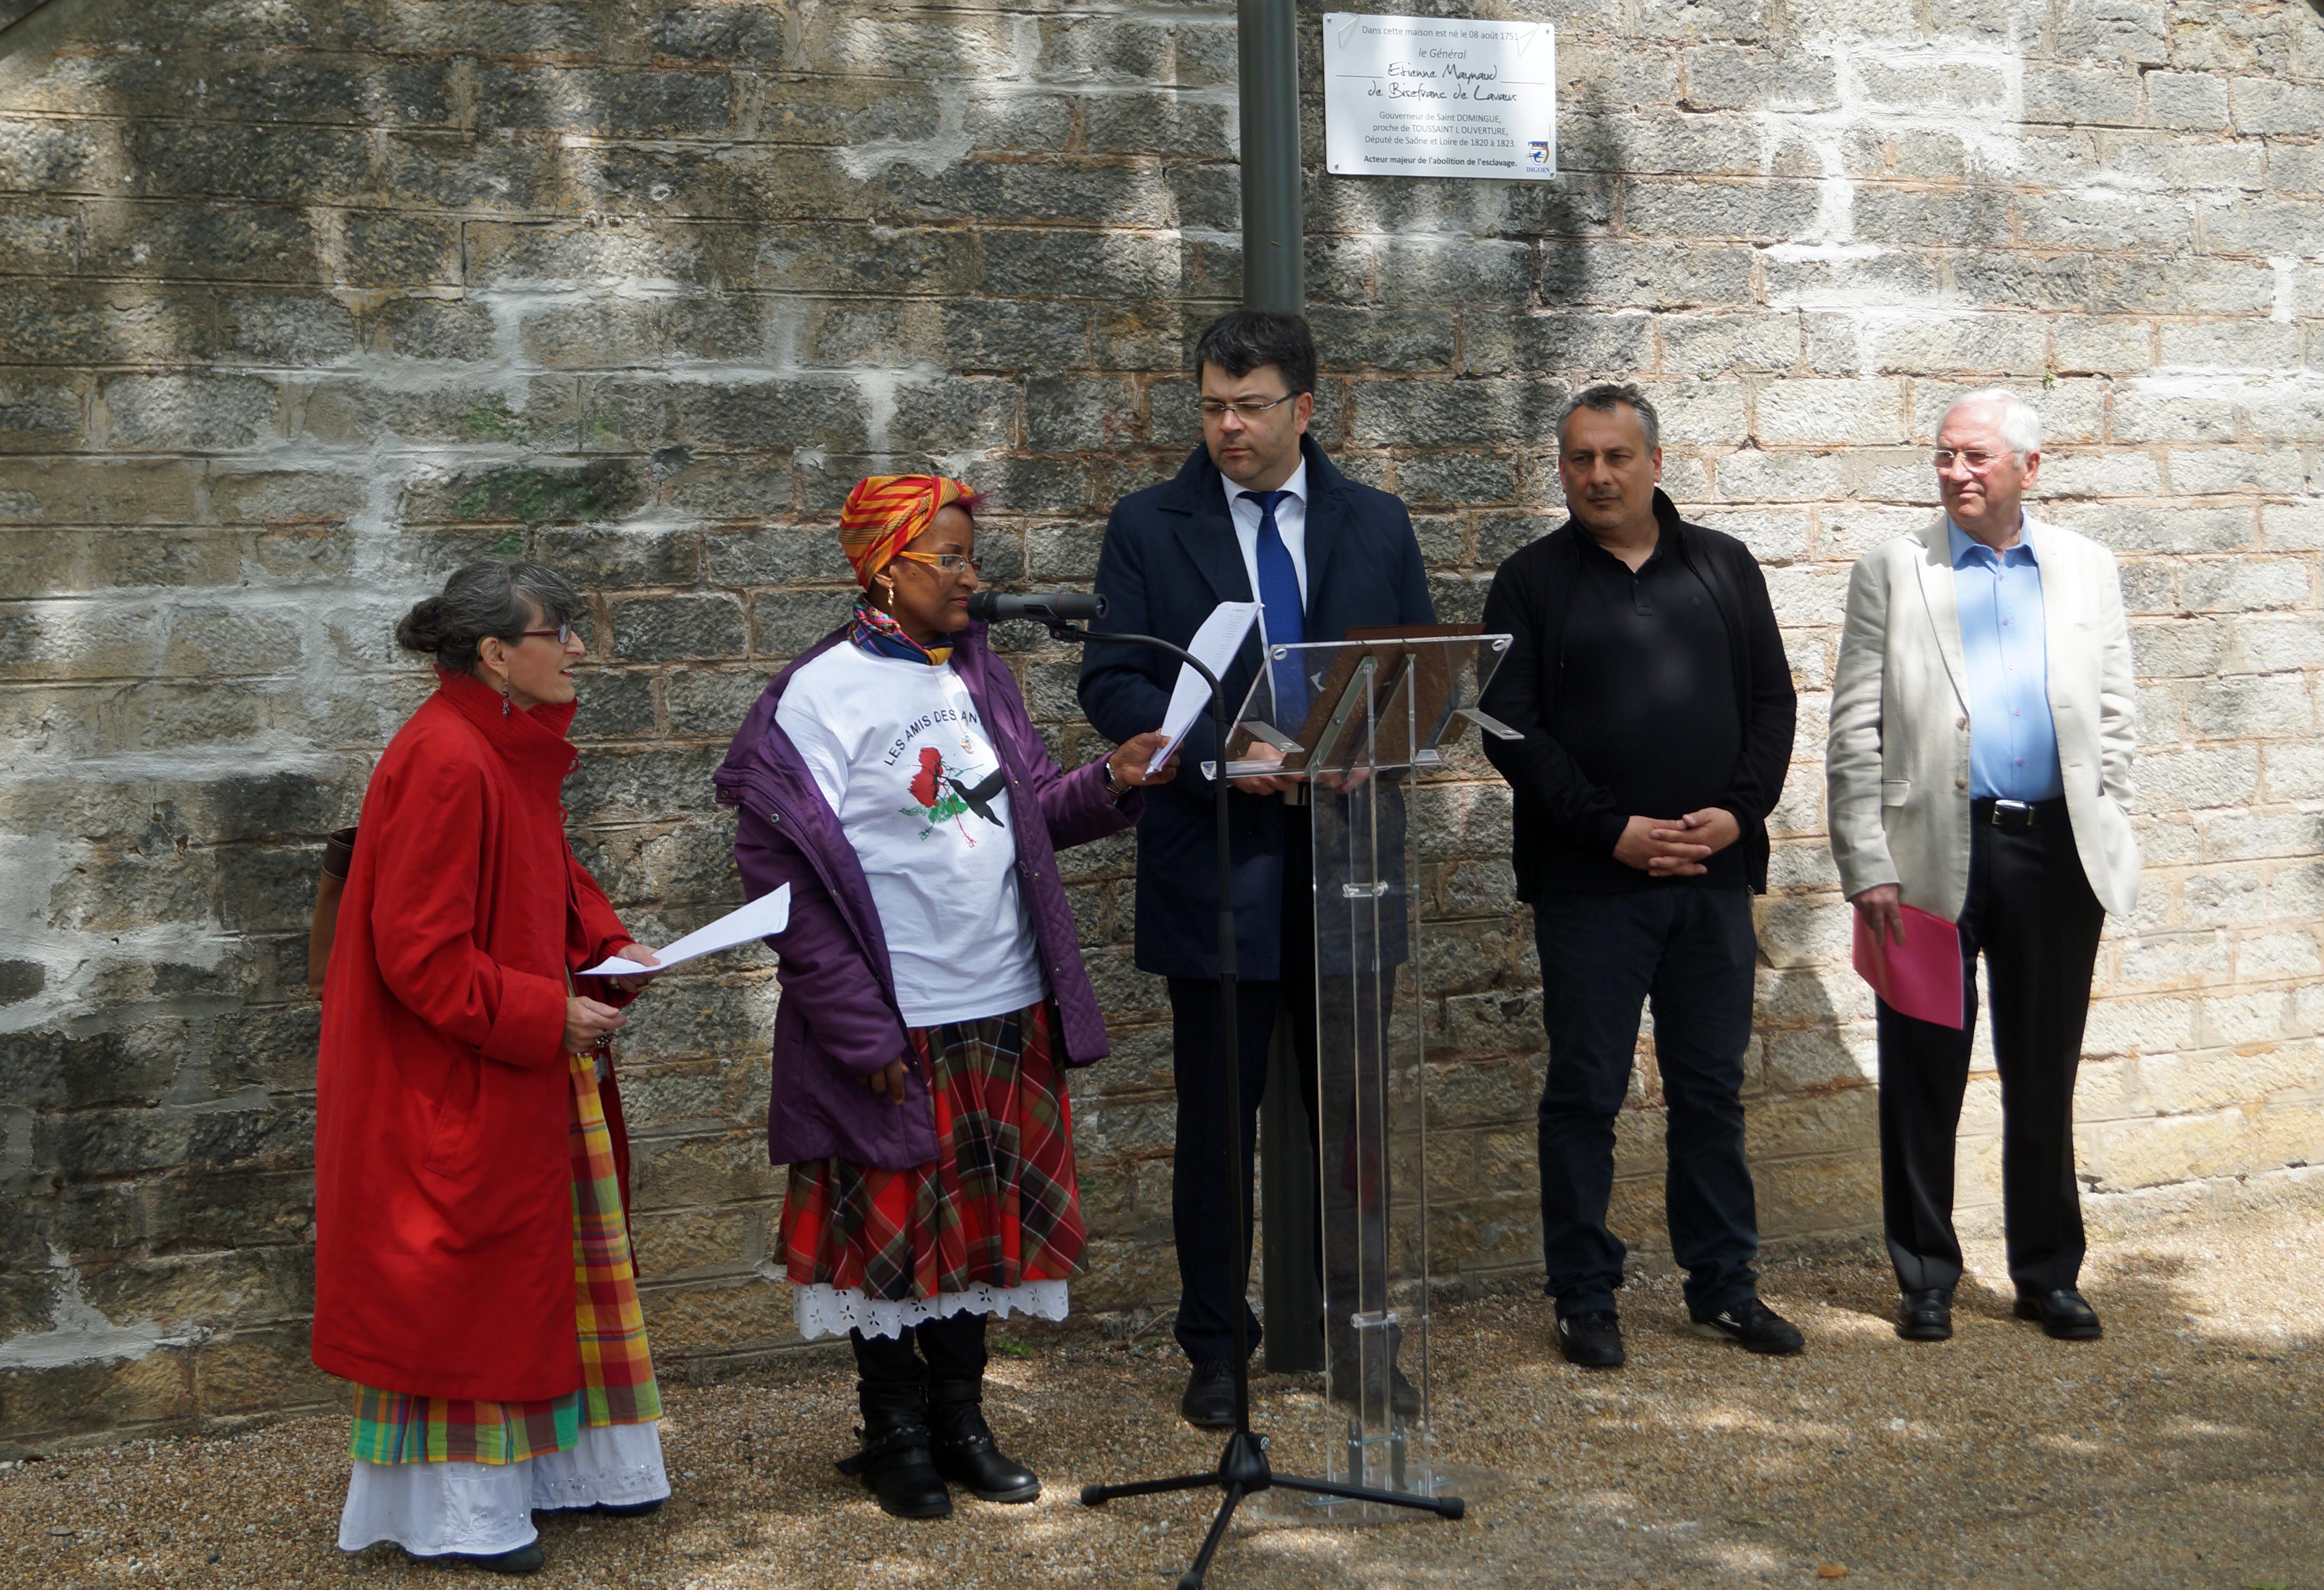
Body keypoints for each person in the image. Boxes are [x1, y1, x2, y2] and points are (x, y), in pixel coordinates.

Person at [714, 475, 1177, 1518]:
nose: (975, 576)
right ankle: (894, 1428)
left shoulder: (982, 673)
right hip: (896, 1013)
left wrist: (1111, 781)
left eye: (974, 555)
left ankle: (964, 1418)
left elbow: (1022, 815)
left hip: (1002, 1000)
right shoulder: (815, 696)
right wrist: (856, 1023)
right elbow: (777, 877)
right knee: (889, 1234)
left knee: (973, 1226)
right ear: (886, 564)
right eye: (951, 557)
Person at [1078, 309, 1435, 1428]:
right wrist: (1219, 755)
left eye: (1249, 406)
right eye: (1211, 407)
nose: (1227, 427)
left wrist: (1357, 747)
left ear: (1304, 408)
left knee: (1353, 1124)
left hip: (1346, 864)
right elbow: (1112, 682)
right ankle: (1215, 1351)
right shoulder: (1150, 525)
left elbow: (1414, 670)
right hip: (1215, 866)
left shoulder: (1374, 521)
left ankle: (1357, 1339)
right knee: (1215, 1133)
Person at [314, 561, 670, 1575]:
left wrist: (607, 943)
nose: (576, 648)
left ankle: (555, 1477)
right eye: (559, 630)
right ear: (494, 654)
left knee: (534, 1277)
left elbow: (548, 871)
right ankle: (460, 1514)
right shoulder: (446, 755)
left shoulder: (496, 742)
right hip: (448, 1079)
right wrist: (542, 1009)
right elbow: (417, 954)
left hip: (505, 1068)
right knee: (461, 1293)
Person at [1477, 383, 1801, 1370]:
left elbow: (1770, 702)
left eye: (1616, 457)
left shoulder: (1724, 567)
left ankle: (1724, 1285)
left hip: (1711, 876)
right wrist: (1607, 828)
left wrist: (1738, 814)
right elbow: (1508, 730)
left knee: (1710, 1088)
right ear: (1561, 468)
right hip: (1590, 885)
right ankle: (1583, 1293)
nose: (1597, 476)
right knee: (1584, 1090)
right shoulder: (1528, 580)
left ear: (1655, 463)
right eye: (1579, 459)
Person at [1828, 389, 2139, 1344]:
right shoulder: (1894, 569)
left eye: (1974, 457)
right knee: (1924, 1068)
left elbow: (2117, 711)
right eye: (1943, 456)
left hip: (2055, 852)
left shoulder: (2087, 568)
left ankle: (2046, 1274)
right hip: (1925, 859)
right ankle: (1924, 1275)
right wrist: (1865, 862)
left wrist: (2106, 809)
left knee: (2043, 1069)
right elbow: (1853, 727)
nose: (1955, 473)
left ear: (2027, 469)